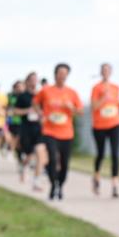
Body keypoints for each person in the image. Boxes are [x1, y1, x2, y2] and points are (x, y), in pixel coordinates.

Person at [34, 63, 83, 200]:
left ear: (67, 76)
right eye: (60, 73)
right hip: (49, 131)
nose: (62, 75)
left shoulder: (72, 93)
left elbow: (80, 111)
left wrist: (71, 107)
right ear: (55, 74)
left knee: (65, 163)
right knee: (52, 159)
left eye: (65, 73)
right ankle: (52, 184)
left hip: (66, 133)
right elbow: (35, 102)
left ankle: (60, 185)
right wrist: (40, 114)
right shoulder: (46, 90)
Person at [90, 62, 119, 198]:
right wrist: (102, 98)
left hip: (115, 123)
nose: (106, 72)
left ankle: (115, 185)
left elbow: (114, 105)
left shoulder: (115, 88)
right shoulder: (96, 88)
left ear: (111, 72)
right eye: (103, 70)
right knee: (100, 154)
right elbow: (94, 107)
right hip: (99, 125)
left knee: (115, 154)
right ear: (101, 72)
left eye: (108, 70)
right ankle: (96, 177)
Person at [12, 72, 48, 189]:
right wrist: (28, 110)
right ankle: (24, 166)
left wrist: (42, 115)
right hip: (26, 129)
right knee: (29, 155)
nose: (33, 81)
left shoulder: (41, 95)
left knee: (40, 152)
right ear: (27, 82)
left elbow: (46, 110)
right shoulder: (22, 96)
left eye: (35, 79)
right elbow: (15, 111)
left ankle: (36, 181)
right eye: (31, 79)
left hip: (39, 128)